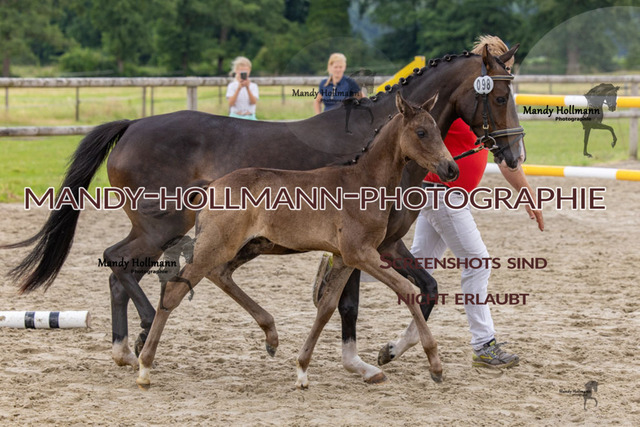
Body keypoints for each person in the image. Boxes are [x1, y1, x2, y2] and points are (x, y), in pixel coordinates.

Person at [392, 35, 544, 369]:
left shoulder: (479, 99)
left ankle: (348, 265)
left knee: (415, 264)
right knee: (478, 262)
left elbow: (503, 159)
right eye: (505, 68)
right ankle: (484, 344)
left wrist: (527, 194)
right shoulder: (469, 99)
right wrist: (529, 196)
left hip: (440, 192)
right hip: (444, 194)